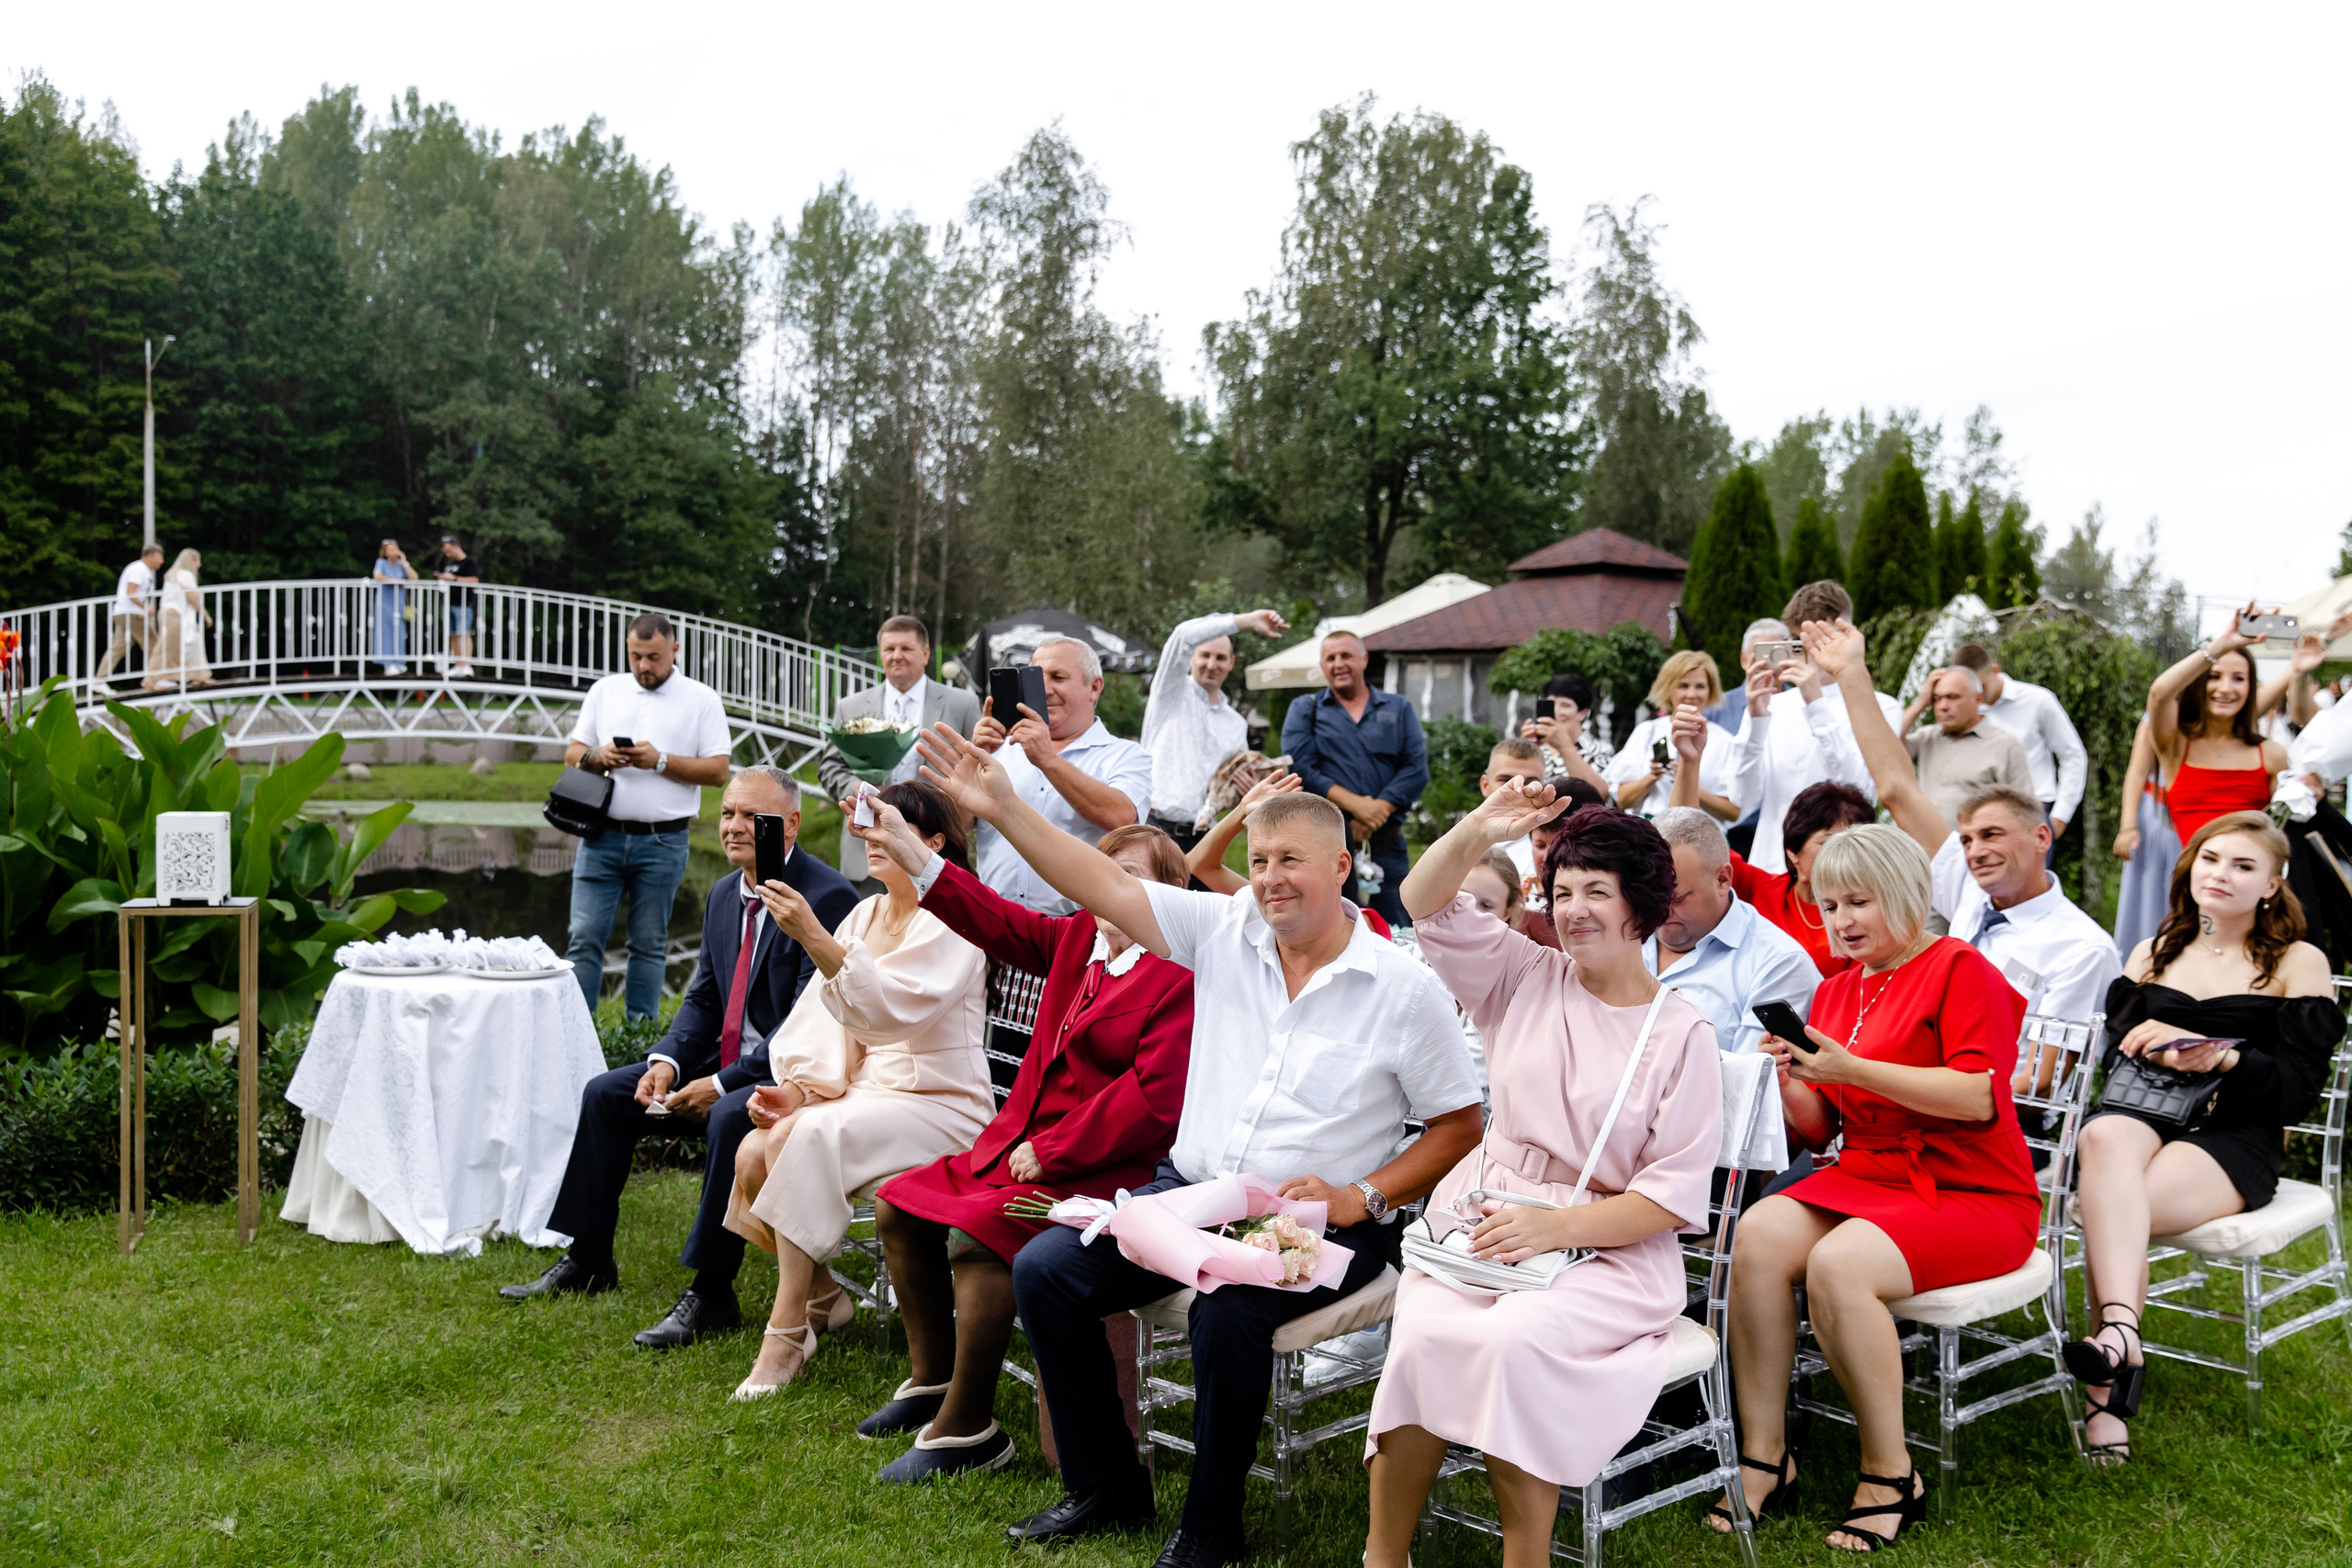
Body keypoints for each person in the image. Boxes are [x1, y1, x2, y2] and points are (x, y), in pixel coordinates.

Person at [914, 722, 1482, 1568]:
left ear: (1339, 867)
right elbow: (1101, 882)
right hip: (1191, 1196)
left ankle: (1210, 1529)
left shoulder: (1402, 987)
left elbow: (1460, 1124)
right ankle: (1106, 1485)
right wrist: (1001, 806)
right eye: (1257, 861)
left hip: (1324, 1225)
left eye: (1290, 860)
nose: (1268, 879)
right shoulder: (1226, 931)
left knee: (1227, 1312)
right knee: (1045, 1270)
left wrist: (1363, 1195)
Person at [1362, 790, 1723, 1568]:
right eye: (1562, 892)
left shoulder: (1681, 1032)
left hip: (1609, 1248)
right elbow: (1420, 898)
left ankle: (1526, 1558)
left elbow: (1669, 1195)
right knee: (1423, 1332)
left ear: (1643, 903)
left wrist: (1555, 1228)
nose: (1575, 909)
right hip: (1483, 1224)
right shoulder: (1522, 973)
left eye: (1597, 890)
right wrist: (1480, 828)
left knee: (1514, 1340)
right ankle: (1382, 1556)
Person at [1716, 825, 2040, 1552]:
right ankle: (1767, 1454)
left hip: (1973, 1186)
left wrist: (1852, 1068)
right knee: (1758, 1235)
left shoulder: (1959, 967)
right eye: (1830, 905)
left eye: (1858, 901)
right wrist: (1792, 1077)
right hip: (1869, 1172)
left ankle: (1891, 1472)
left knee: (1840, 1264)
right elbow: (1820, 1124)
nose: (1842, 921)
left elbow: (1977, 1098)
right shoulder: (1833, 990)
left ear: (1906, 893)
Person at [856, 808, 1193, 1481]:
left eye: (1126, 875)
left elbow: (1154, 1097)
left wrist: (1056, 1149)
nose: (1106, 887)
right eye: (1100, 872)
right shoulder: (1074, 938)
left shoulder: (1176, 971)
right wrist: (915, 857)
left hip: (1101, 1173)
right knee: (897, 1204)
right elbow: (989, 915)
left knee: (982, 1235)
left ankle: (968, 1429)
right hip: (1013, 1147)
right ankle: (933, 1378)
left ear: (1166, 894)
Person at [499, 766, 860, 1348]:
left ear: (791, 826)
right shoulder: (725, 893)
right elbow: (705, 999)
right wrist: (666, 1062)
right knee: (607, 1093)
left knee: (726, 1116)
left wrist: (717, 1085)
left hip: (793, 1076)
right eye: (727, 814)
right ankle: (589, 1256)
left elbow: (805, 1025)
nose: (736, 827)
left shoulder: (828, 897)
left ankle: (712, 1290)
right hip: (726, 1063)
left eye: (753, 817)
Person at [2069, 811, 2340, 1463]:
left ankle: (2106, 1386)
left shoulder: (2298, 960)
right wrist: (2153, 1044)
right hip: (2146, 1118)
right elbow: (2121, 1064)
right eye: (2212, 859)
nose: (2222, 875)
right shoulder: (2154, 949)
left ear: (2273, 885)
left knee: (2112, 1207)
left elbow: (2297, 1092)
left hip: (2233, 1133)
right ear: (2191, 867)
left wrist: (2218, 1057)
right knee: (2105, 1141)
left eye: (2244, 866)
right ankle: (2121, 1335)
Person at [724, 780, 994, 1400]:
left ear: (932, 843)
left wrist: (813, 936)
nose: (870, 835)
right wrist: (798, 1087)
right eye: (869, 823)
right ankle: (823, 1292)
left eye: (887, 824)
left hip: (942, 1104)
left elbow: (888, 1010)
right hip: (872, 1095)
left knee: (811, 1136)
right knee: (754, 1148)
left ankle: (788, 1330)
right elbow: (829, 1016)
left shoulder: (954, 917)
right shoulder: (866, 912)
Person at [1808, 617, 2120, 1032]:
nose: (1973, 851)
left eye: (1992, 835)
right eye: (1967, 839)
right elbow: (1897, 789)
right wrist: (1852, 676)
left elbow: (2049, 1087)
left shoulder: (2083, 948)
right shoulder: (1973, 897)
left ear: (2041, 835)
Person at [562, 612, 736, 1018]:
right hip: (600, 835)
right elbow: (572, 754)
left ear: (675, 650)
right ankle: (573, 1029)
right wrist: (598, 755)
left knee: (648, 940)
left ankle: (639, 1034)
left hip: (663, 839)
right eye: (636, 655)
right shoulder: (606, 691)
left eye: (653, 657)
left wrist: (658, 762)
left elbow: (717, 771)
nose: (643, 666)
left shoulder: (701, 699)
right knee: (583, 936)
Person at [1671, 712, 1874, 978]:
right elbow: (1682, 842)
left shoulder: (1874, 911)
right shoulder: (1761, 889)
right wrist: (1689, 761)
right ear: (1794, 851)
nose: (1846, 851)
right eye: (1830, 842)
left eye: (1857, 841)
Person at [1727, 580, 1903, 874]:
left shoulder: (1881, 707)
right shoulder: (1775, 704)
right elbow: (1740, 801)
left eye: (1820, 637)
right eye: (1798, 637)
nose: (1808, 648)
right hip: (1772, 872)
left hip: (1839, 873)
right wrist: (1755, 722)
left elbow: (1863, 797)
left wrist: (1816, 704)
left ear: (1844, 633)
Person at [973, 636, 1154, 915]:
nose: (1044, 690)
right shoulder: (999, 747)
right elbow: (954, 825)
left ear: (1094, 687)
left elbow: (1121, 818)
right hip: (994, 920)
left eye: (1058, 677)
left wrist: (1047, 759)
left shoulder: (1125, 755)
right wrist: (972, 760)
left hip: (1076, 928)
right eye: (1034, 678)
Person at [1283, 629, 1431, 929]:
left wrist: (1379, 810)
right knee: (1328, 928)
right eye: (1330, 658)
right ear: (1322, 665)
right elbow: (1300, 769)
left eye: (1346, 656)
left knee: (1399, 928)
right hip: (1327, 847)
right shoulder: (1305, 709)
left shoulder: (1397, 707)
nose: (1338, 663)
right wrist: (1357, 807)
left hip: (1387, 844)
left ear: (1364, 660)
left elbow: (1416, 768)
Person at [817, 615, 981, 884]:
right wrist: (860, 791)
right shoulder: (851, 707)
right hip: (868, 851)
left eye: (906, 649)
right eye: (889, 649)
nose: (897, 656)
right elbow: (830, 768)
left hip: (935, 851)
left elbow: (977, 771)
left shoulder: (962, 704)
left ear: (926, 654)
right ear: (881, 654)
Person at [1646, 807, 1818, 1055]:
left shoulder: (1778, 964)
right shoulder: (1622, 932)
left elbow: (1747, 1084)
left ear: (1723, 879)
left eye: (1677, 898)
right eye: (1649, 896)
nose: (1659, 911)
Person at [1141, 607, 1291, 851]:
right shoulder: (1169, 692)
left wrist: (1245, 791)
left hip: (1206, 836)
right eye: (1205, 655)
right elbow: (1181, 635)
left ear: (1231, 663)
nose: (1212, 664)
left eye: (1220, 658)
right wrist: (1247, 621)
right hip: (1155, 830)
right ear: (1192, 658)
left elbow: (1228, 785)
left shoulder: (1236, 723)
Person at [2147, 608, 2287, 842]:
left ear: (2251, 688)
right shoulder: (2176, 746)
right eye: (2214, 676)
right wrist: (2221, 644)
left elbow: (2283, 836)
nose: (2225, 688)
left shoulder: (2272, 755)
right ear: (2198, 684)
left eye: (2239, 678)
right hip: (2193, 878)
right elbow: (2159, 693)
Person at [1951, 643, 2087, 842]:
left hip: (2032, 812)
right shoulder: (1964, 712)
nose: (1977, 696)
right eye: (1969, 690)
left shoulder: (2038, 700)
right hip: (1977, 818)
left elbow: (2072, 755)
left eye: (1982, 686)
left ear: (1995, 670)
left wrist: (2060, 817)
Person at [1895, 666, 2037, 827]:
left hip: (1974, 849)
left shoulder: (2004, 746)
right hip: (1922, 848)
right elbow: (1882, 746)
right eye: (1936, 698)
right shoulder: (1926, 739)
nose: (1943, 706)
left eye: (1952, 697)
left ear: (1977, 699)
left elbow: (2026, 812)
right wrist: (1920, 703)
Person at [1609, 651, 1739, 820]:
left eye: (1700, 686)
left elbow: (1734, 812)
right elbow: (1623, 801)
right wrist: (1651, 777)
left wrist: (1686, 778)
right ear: (1668, 688)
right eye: (1683, 686)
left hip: (1703, 833)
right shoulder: (1647, 732)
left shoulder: (1725, 741)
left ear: (1710, 691)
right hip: (1652, 831)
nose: (1691, 694)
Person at [2111, 715, 2179, 962]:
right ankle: (2145, 965)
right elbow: (2137, 771)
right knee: (2150, 902)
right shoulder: (2160, 713)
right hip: (2160, 817)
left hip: (2205, 821)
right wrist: (2128, 825)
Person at [1521, 671, 1614, 794]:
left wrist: (1565, 746)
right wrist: (1523, 750)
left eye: (1565, 706)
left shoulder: (1601, 750)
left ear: (1583, 713)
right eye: (1551, 704)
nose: (1556, 712)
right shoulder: (1538, 747)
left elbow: (1601, 795)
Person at [1478, 737, 1551, 883]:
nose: (1518, 790)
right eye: (1505, 781)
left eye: (1530, 782)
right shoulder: (1460, 838)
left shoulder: (1548, 849)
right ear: (1485, 785)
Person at [144, 547, 213, 690]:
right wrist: (205, 615)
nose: (199, 565)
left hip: (169, 612)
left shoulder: (173, 575)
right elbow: (192, 598)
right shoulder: (186, 575)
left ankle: (199, 675)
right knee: (167, 648)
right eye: (197, 561)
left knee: (192, 642)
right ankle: (150, 680)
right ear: (192, 562)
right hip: (175, 614)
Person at [96, 544, 164, 687]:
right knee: (154, 644)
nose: (162, 561)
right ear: (149, 556)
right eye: (159, 557)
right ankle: (154, 679)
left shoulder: (141, 570)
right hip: (132, 613)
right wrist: (145, 606)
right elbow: (131, 591)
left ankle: (99, 680)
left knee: (118, 648)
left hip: (123, 612)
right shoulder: (139, 569)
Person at [434, 535, 481, 677]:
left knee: (463, 633)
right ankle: (458, 665)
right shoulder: (448, 563)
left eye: (448, 550)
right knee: (453, 635)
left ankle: (466, 664)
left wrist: (454, 578)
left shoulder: (469, 562)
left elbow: (474, 580)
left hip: (463, 604)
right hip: (447, 603)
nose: (446, 553)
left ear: (456, 546)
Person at [370, 539, 413, 675]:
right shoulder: (381, 563)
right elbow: (377, 576)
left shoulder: (401, 566)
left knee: (399, 632)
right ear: (385, 552)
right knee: (385, 632)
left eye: (396, 548)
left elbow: (414, 578)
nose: (394, 552)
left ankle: (399, 661)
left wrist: (405, 562)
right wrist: (396, 581)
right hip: (384, 604)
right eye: (391, 549)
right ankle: (388, 664)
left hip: (398, 604)